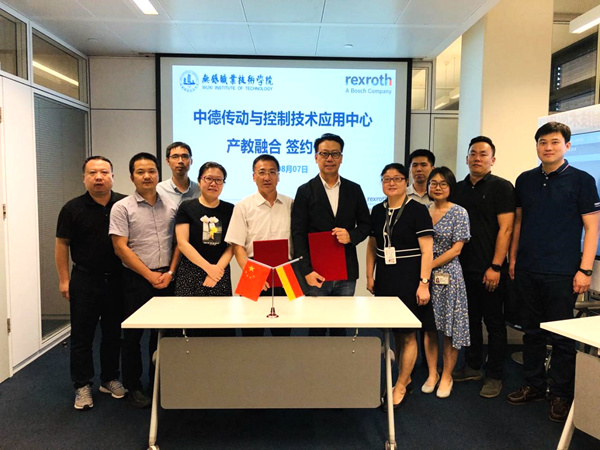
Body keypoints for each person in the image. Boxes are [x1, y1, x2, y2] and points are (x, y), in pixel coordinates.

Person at [507, 122, 600, 422]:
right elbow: (519, 222)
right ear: (536, 146)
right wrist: (513, 259)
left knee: (561, 337)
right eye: (542, 142)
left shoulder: (582, 180)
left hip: (562, 271)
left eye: (555, 142)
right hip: (527, 268)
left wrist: (585, 269)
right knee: (531, 333)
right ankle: (534, 385)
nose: (548, 147)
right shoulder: (525, 180)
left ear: (567, 146)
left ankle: (560, 393)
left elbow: (592, 227)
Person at [109, 152, 180, 408]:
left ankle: (158, 382)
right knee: (133, 336)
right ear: (132, 177)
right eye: (140, 172)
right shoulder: (122, 208)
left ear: (158, 174)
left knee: (163, 335)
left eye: (151, 171)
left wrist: (170, 273)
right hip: (136, 279)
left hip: (167, 278)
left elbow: (179, 243)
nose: (147, 176)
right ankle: (134, 386)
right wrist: (149, 275)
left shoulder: (172, 206)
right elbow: (120, 248)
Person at [55, 156, 126, 410]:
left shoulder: (124, 204)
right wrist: (64, 280)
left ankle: (109, 378)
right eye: (93, 173)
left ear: (112, 176)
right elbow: (61, 245)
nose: (98, 177)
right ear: (84, 178)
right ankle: (82, 385)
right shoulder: (72, 208)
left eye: (104, 172)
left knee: (113, 333)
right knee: (82, 335)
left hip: (117, 279)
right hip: (85, 279)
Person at [366, 163, 434, 408]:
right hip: (386, 277)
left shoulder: (417, 210)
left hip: (409, 277)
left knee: (407, 333)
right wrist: (369, 276)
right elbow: (372, 245)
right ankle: (405, 377)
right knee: (394, 331)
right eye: (386, 179)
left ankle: (402, 384)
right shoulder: (377, 210)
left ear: (406, 182)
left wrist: (424, 283)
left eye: (396, 178)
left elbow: (427, 251)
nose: (391, 183)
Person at [452, 136, 515, 399]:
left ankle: (495, 375)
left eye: (483, 154)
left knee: (494, 323)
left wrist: (496, 266)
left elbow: (506, 229)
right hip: (462, 269)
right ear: (466, 157)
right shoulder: (457, 189)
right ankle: (473, 366)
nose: (477, 158)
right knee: (470, 320)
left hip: (490, 269)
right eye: (473, 153)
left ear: (493, 159)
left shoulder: (502, 187)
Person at [291, 133, 371, 336]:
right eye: (324, 154)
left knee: (340, 327)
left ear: (341, 158)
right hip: (316, 273)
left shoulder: (354, 190)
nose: (329, 159)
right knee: (316, 327)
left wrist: (351, 236)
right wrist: (306, 271)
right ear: (316, 157)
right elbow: (298, 234)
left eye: (335, 154)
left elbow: (366, 225)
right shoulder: (305, 191)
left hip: (346, 272)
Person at [225, 154, 293, 337]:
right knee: (251, 330)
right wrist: (254, 275)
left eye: (272, 172)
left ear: (278, 176)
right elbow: (238, 246)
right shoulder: (242, 206)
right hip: (253, 269)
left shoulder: (291, 204)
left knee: (284, 330)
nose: (267, 177)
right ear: (253, 176)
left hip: (285, 269)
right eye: (261, 172)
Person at [424, 167, 471, 398]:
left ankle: (447, 376)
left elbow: (456, 249)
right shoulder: (423, 211)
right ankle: (432, 373)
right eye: (433, 183)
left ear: (451, 187)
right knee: (429, 327)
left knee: (449, 330)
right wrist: (425, 271)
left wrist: (428, 266)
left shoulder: (459, 212)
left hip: (449, 276)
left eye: (443, 183)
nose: (438, 187)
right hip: (426, 279)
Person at [174, 161, 235, 336]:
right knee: (189, 325)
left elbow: (233, 244)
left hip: (219, 273)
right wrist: (209, 268)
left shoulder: (230, 209)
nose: (213, 183)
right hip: (191, 272)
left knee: (219, 325)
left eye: (218, 180)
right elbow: (182, 243)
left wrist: (217, 270)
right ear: (200, 180)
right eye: (209, 178)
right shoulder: (187, 207)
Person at [156, 141, 200, 206]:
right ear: (167, 161)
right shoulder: (159, 190)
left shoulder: (200, 190)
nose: (180, 161)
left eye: (184, 156)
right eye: (175, 156)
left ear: (191, 161)